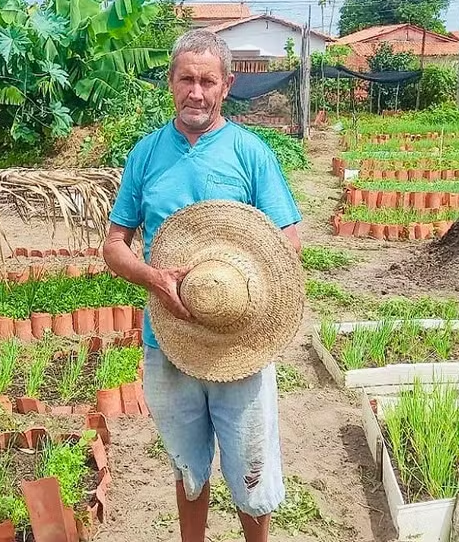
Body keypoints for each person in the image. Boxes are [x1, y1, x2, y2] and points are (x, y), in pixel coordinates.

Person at [102, 29, 302, 542]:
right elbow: (114, 244)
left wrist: (237, 287)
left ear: (227, 85)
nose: (196, 92)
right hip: (167, 342)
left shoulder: (250, 153)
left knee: (251, 472)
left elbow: (288, 240)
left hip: (240, 342)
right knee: (188, 469)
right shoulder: (146, 154)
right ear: (170, 82)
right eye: (186, 79)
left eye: (208, 81)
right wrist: (154, 278)